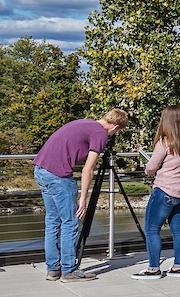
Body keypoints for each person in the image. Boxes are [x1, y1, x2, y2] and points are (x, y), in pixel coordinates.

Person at [34, 106, 129, 283]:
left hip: (41, 170)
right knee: (70, 222)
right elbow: (88, 169)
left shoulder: (84, 123)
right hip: (59, 176)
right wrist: (83, 198)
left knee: (52, 221)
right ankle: (69, 270)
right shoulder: (100, 134)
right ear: (116, 127)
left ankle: (53, 269)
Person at [132, 108, 180, 279]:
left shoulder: (164, 143)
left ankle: (153, 269)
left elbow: (151, 168)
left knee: (152, 229)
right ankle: (178, 267)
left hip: (165, 191)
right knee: (178, 229)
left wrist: (147, 166)